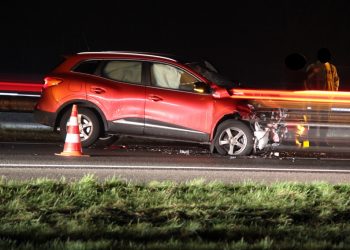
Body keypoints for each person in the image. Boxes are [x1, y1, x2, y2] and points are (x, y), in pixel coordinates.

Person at [303, 48, 340, 146]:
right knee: (314, 119)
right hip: (316, 99)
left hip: (328, 99)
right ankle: (311, 141)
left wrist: (333, 93)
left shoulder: (332, 68)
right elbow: (306, 82)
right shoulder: (313, 67)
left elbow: (336, 80)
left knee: (325, 120)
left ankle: (322, 140)